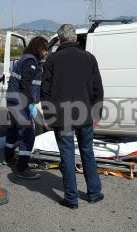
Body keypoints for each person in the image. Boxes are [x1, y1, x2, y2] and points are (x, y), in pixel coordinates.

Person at [41, 24, 104, 209]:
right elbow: (97, 89)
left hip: (62, 117)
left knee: (67, 156)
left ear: (60, 39)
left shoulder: (52, 59)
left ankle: (71, 198)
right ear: (75, 38)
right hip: (85, 115)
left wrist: (49, 115)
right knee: (87, 152)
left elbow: (44, 92)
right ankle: (93, 193)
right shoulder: (89, 58)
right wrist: (96, 113)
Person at [4, 36, 48, 179]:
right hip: (20, 102)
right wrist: (29, 104)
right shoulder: (30, 62)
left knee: (14, 129)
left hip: (13, 100)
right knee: (28, 134)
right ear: (38, 48)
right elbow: (26, 86)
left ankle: (9, 157)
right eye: (44, 49)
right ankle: (22, 168)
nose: (46, 52)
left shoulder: (26, 59)